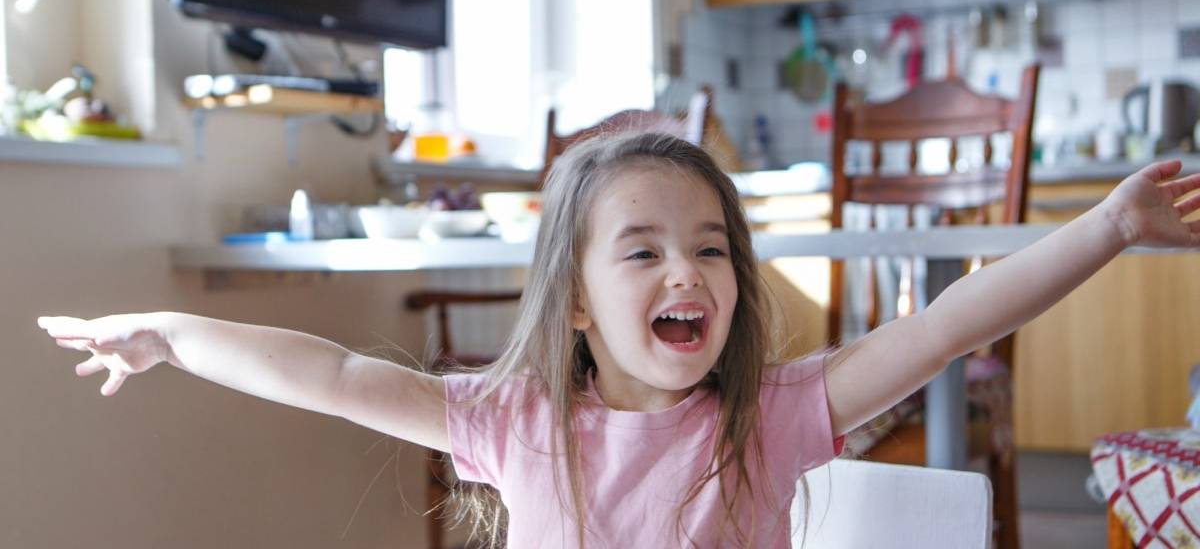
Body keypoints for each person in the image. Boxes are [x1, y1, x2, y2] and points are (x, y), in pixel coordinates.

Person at [38, 132, 1200, 547]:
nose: (687, 271)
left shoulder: (777, 413)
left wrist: (1106, 226)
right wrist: (172, 336)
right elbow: (334, 376)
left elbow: (953, 320)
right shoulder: (514, 420)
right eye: (642, 250)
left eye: (710, 248)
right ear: (579, 303)